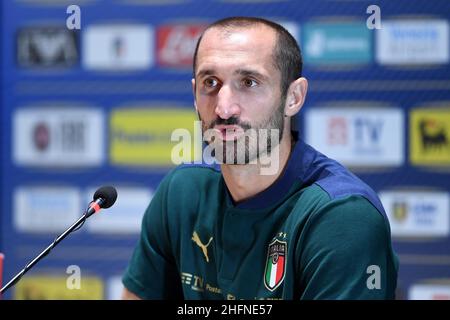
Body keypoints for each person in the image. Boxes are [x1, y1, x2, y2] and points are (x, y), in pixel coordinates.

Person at [121, 16, 398, 300]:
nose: (224, 108)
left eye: (249, 82)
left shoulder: (342, 215)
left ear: (293, 97)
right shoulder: (181, 192)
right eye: (211, 82)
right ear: (194, 94)